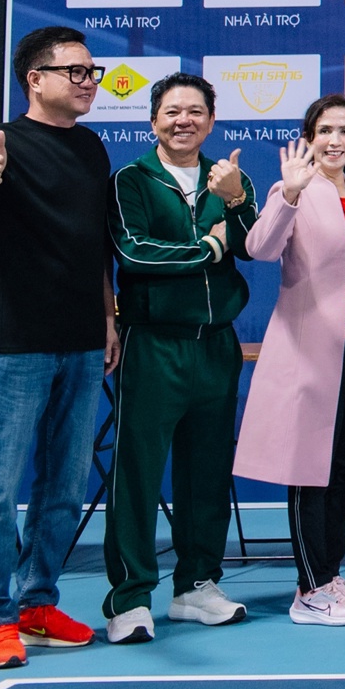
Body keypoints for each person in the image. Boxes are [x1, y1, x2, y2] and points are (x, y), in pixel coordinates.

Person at [0, 27, 119, 670]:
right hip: (14, 343)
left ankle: (36, 603)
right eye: (75, 71)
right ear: (36, 79)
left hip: (82, 341)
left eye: (92, 72)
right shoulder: (1, 141)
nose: (88, 82)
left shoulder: (92, 147)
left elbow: (95, 244)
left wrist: (107, 316)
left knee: (64, 487)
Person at [102, 72, 258, 644]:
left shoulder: (229, 177)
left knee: (208, 472)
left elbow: (254, 244)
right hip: (153, 344)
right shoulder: (130, 180)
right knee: (137, 475)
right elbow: (135, 253)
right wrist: (209, 246)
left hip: (216, 344)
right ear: (153, 122)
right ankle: (129, 598)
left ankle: (196, 586)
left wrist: (236, 200)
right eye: (171, 112)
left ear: (211, 122)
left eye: (195, 111)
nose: (183, 120)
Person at [236, 95, 345, 626]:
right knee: (311, 470)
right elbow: (260, 248)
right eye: (325, 130)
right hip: (311, 356)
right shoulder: (294, 191)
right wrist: (288, 193)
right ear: (308, 138)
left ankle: (330, 575)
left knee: (344, 470)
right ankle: (310, 589)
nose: (335, 140)